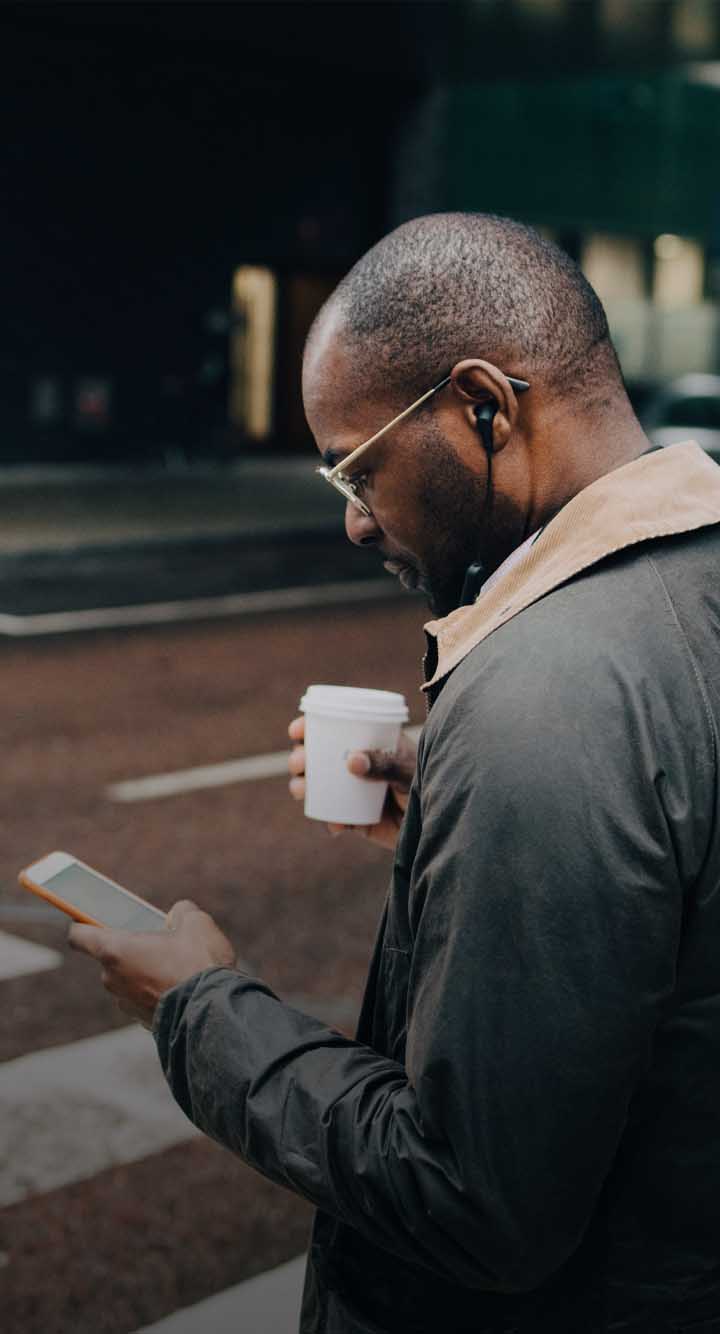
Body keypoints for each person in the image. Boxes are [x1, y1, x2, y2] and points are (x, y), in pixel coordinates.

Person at [70, 213, 720, 1334]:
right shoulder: (692, 587)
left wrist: (200, 1008)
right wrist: (459, 813)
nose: (357, 521)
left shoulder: (546, 696)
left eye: (359, 465)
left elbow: (474, 1202)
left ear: (485, 405)